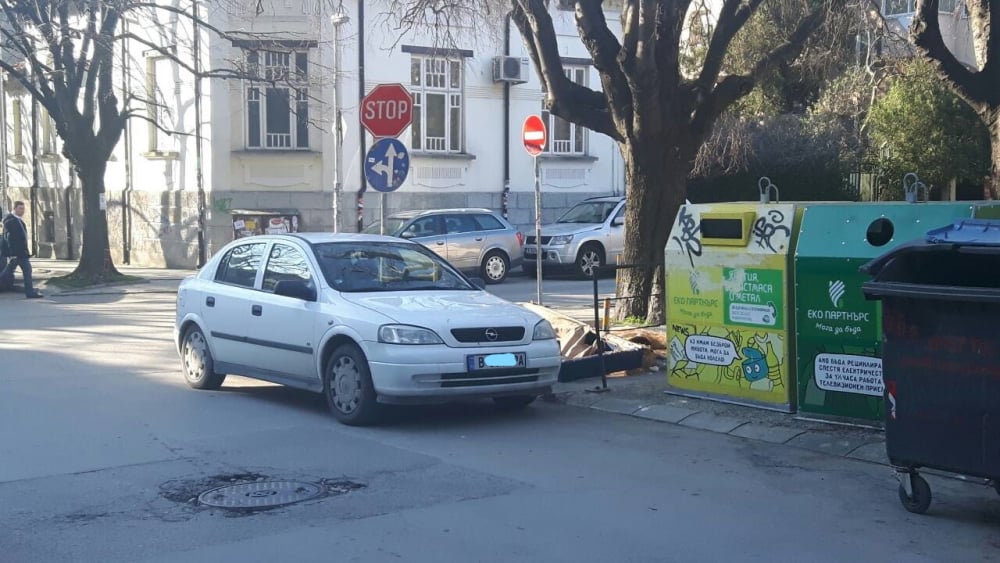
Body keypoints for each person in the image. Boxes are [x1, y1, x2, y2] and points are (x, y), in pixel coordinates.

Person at [1, 201, 43, 299]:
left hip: (21, 253)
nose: (22, 211)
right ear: (14, 208)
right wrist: (12, 253)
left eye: (23, 209)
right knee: (18, 272)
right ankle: (30, 292)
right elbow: (9, 238)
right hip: (16, 253)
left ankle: (30, 292)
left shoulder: (18, 220)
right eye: (20, 208)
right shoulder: (11, 221)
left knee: (11, 272)